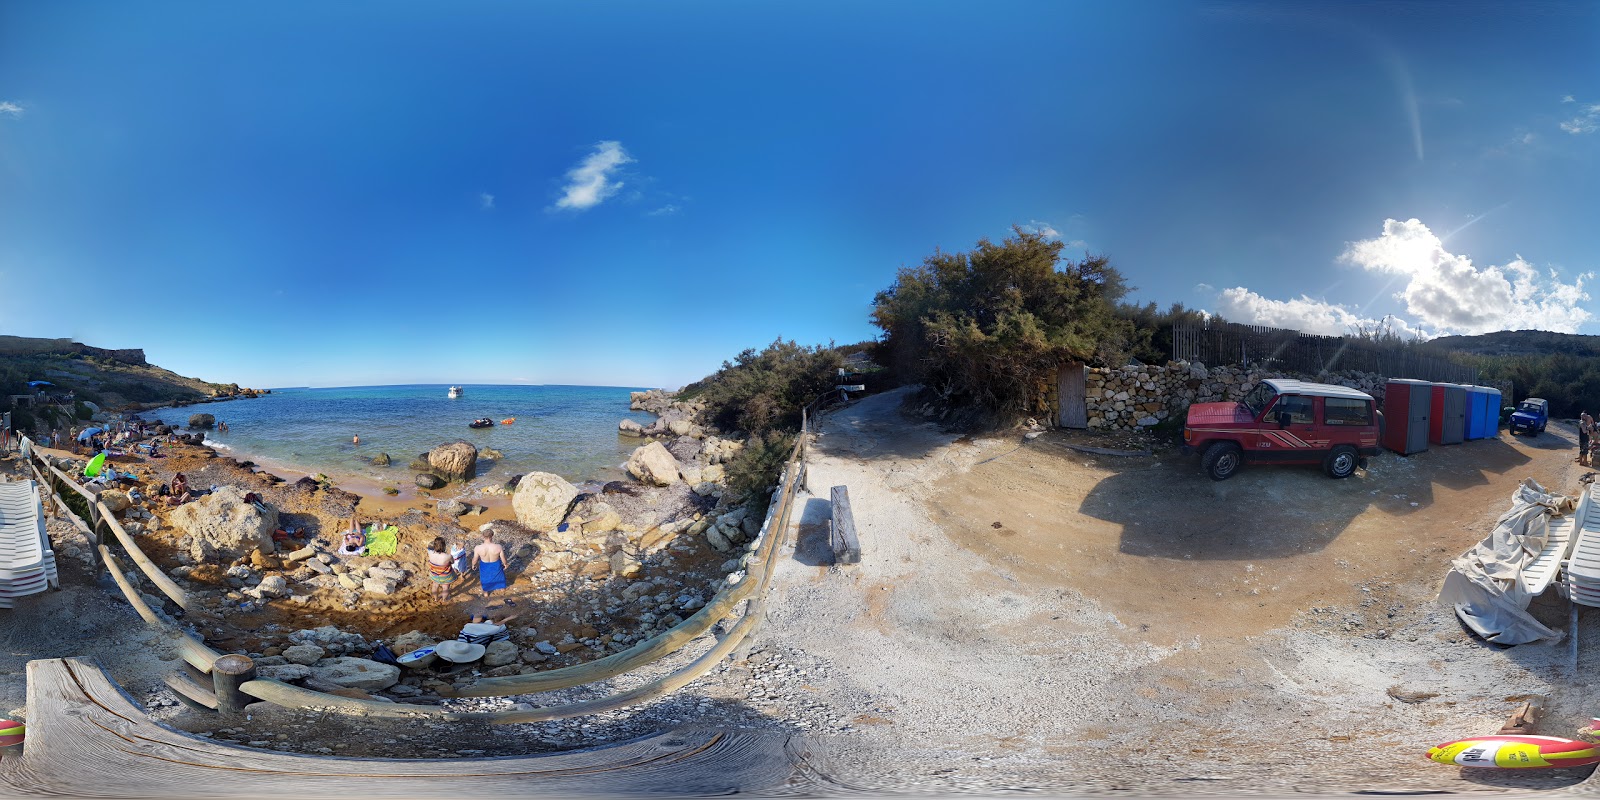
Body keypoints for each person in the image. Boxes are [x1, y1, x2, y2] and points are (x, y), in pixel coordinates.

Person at [471, 529, 509, 598]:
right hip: (496, 564)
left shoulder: (478, 548)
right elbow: (503, 558)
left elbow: (475, 559)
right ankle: (502, 589)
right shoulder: (498, 546)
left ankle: (486, 593)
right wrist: (505, 564)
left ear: (483, 536)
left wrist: (473, 565)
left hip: (484, 565)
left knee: (485, 578)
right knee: (499, 576)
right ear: (492, 536)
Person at [425, 536, 457, 601]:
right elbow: (452, 562)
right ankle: (444, 599)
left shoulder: (430, 552)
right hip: (445, 576)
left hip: (434, 573)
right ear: (444, 546)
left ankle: (436, 599)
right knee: (445, 588)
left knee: (435, 586)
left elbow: (429, 546)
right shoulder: (448, 556)